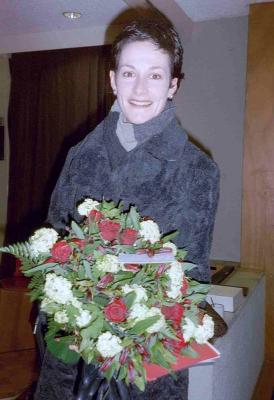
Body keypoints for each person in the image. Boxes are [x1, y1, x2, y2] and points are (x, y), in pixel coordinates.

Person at [34, 18, 219, 400]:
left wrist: (105, 271)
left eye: (154, 76)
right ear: (113, 79)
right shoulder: (80, 154)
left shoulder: (197, 169)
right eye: (129, 73)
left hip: (144, 364)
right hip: (68, 354)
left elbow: (191, 279)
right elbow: (55, 240)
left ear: (172, 86)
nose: (139, 88)